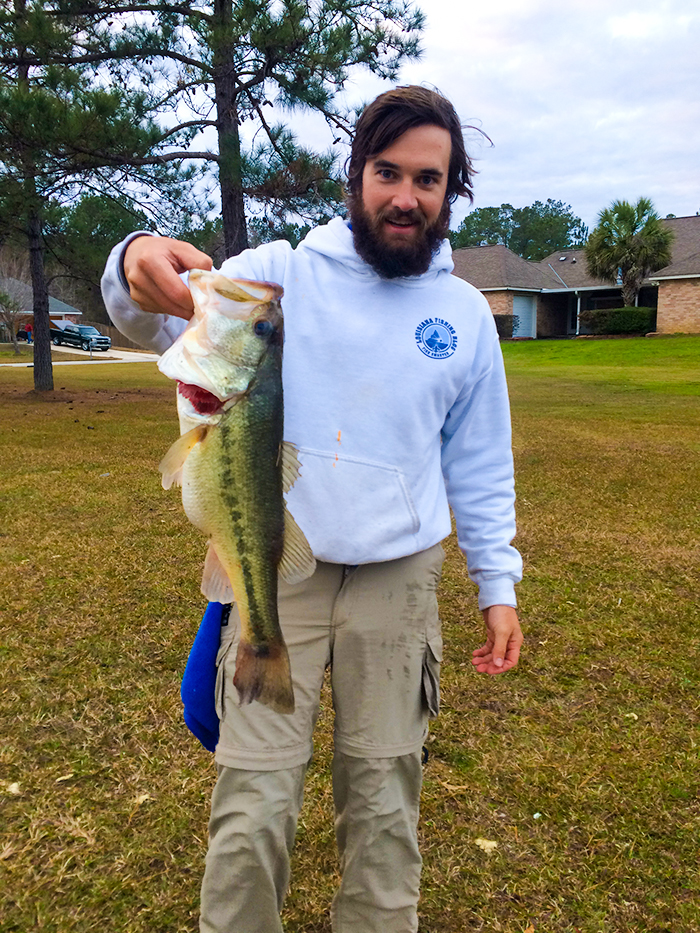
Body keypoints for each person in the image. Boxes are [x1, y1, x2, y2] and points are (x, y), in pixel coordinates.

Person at [101, 85, 524, 933]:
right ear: (356, 176)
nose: (406, 195)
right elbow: (143, 312)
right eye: (387, 172)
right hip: (276, 567)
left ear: (451, 192)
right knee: (253, 802)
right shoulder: (278, 277)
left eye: (428, 179)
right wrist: (136, 254)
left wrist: (497, 581)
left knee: (382, 804)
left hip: (397, 581)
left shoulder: (464, 316)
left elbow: (478, 462)